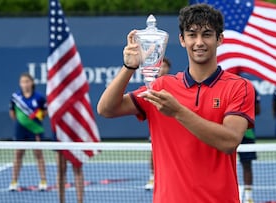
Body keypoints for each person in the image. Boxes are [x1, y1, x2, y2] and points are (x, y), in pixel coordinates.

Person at [97, 3, 255, 203]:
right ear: (182, 40)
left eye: (207, 34)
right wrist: (129, 67)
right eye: (192, 35)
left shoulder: (239, 87)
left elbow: (229, 142)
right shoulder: (162, 85)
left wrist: (178, 111)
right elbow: (106, 109)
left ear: (219, 39)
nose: (199, 42)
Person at [8, 72, 48, 191]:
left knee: (38, 155)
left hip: (35, 130)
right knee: (18, 155)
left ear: (32, 83)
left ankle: (43, 181)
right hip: (20, 130)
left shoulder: (39, 97)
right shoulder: (15, 98)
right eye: (23, 82)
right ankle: (14, 182)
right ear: (20, 84)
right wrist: (24, 122)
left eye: (27, 81)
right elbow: (12, 114)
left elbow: (45, 112)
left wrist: (37, 116)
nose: (25, 84)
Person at [144, 57, 171, 190]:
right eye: (161, 66)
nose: (163, 69)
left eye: (165, 66)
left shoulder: (173, 84)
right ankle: (152, 177)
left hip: (171, 125)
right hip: (156, 125)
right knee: (153, 152)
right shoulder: (151, 85)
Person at [238, 88, 260, 203]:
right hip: (224, 132)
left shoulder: (250, 89)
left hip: (247, 134)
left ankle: (248, 197)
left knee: (247, 165)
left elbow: (258, 111)